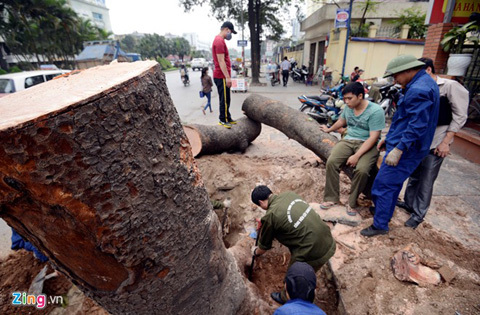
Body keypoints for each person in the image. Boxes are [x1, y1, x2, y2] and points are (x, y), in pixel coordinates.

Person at [361, 55, 440, 237]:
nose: (395, 80)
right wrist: (389, 140)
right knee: (393, 184)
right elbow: (405, 119)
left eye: (396, 76)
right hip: (404, 143)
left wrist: (399, 148)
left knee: (382, 185)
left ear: (408, 70)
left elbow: (417, 125)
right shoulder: (423, 82)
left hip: (408, 149)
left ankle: (380, 225)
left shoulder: (419, 89)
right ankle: (384, 213)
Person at [396, 57, 469, 229]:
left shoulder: (449, 87)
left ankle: (418, 214)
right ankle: (408, 203)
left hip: (437, 139)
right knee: (414, 175)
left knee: (427, 179)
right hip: (419, 141)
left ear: (428, 70)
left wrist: (446, 142)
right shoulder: (417, 87)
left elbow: (460, 116)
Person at [250, 186, 336, 304]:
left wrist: (255, 251)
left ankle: (286, 298)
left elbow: (263, 247)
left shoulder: (270, 216)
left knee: (294, 277)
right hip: (327, 239)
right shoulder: (289, 195)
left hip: (312, 248)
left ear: (260, 202)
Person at [320, 82, 386, 216]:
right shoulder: (348, 108)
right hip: (349, 140)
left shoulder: (375, 111)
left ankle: (352, 202)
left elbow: (373, 138)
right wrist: (329, 129)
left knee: (362, 170)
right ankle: (331, 198)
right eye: (345, 99)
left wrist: (356, 156)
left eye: (350, 98)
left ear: (360, 96)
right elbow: (341, 121)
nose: (347, 102)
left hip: (368, 143)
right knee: (332, 162)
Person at [212, 21, 237, 129]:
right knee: (224, 99)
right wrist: (227, 77)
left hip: (222, 75)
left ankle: (227, 117)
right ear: (226, 29)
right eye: (230, 32)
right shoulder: (219, 41)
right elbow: (221, 61)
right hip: (221, 76)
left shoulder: (220, 41)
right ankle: (223, 119)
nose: (230, 34)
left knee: (227, 98)